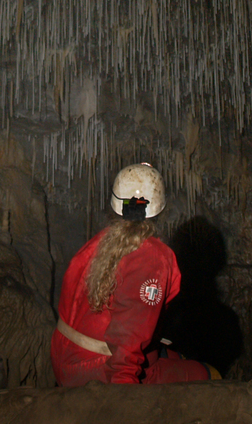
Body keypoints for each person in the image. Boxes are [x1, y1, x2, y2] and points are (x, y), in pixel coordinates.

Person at [50, 163, 221, 385]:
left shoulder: (99, 243)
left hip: (65, 357)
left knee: (171, 355)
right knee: (206, 374)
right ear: (160, 208)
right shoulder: (153, 258)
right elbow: (128, 342)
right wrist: (126, 398)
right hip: (98, 370)